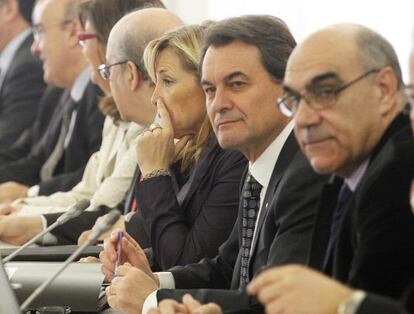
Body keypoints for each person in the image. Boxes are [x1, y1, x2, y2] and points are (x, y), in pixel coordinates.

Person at [99, 15, 328, 314]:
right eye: (210, 90)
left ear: (287, 88)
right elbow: (226, 268)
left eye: (236, 84)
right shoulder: (256, 165)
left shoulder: (306, 173)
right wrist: (155, 281)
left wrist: (151, 300)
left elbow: (273, 305)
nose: (218, 104)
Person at [245, 23, 414, 314]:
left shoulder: (395, 173)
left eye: (324, 92)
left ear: (384, 89)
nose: (304, 119)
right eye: (294, 101)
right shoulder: (345, 170)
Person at [0, 0, 164, 217]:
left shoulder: (146, 121)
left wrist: (25, 214)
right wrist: (21, 209)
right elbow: (86, 192)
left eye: (85, 37)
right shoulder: (114, 111)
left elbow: (104, 206)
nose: (82, 45)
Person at [0, 0, 104, 203]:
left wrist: (30, 194)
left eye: (39, 32)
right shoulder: (57, 93)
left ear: (74, 32)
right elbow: (34, 160)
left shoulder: (104, 95)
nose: (34, 47)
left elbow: (95, 179)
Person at [0, 0, 45, 154]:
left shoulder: (29, 65)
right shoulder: (15, 60)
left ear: (9, 9)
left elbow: (9, 141)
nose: (38, 47)